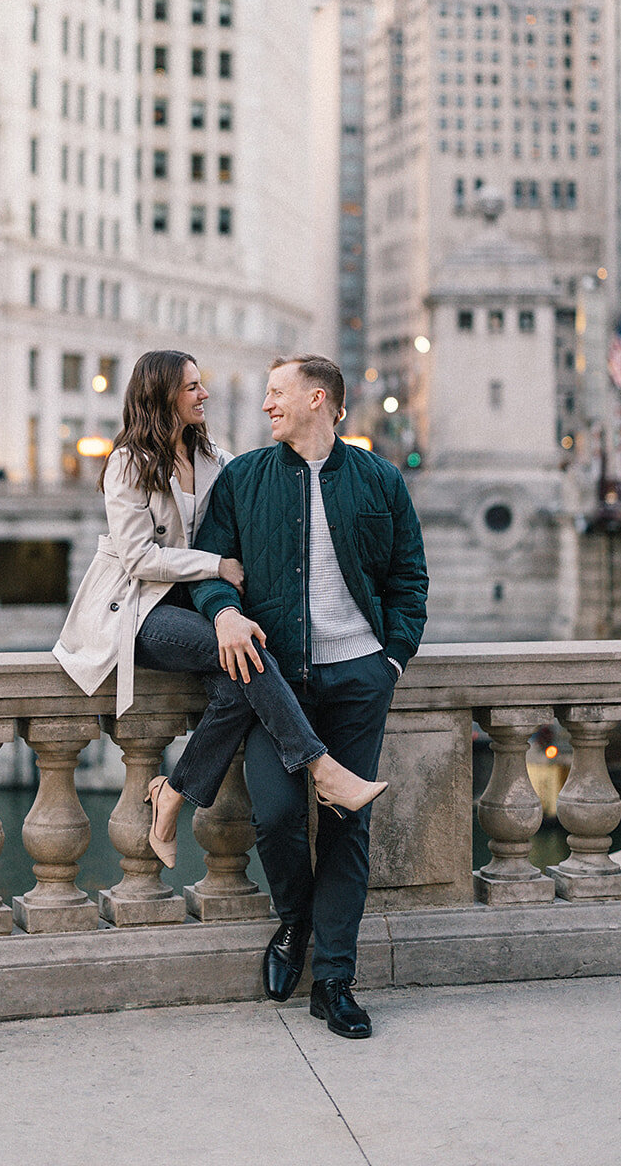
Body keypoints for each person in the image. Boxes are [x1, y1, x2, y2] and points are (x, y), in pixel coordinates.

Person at [51, 349, 387, 870]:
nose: (203, 394)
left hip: (193, 606)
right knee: (249, 651)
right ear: (161, 395)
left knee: (237, 685)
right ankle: (320, 768)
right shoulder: (128, 462)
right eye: (191, 387)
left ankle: (174, 793)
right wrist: (217, 566)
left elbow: (242, 517)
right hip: (140, 610)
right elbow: (139, 557)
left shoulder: (216, 459)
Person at [191, 355, 428, 1040]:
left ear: (316, 398)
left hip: (359, 677)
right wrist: (220, 612)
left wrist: (391, 657)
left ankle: (334, 981)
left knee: (348, 831)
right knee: (275, 818)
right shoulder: (245, 478)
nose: (266, 405)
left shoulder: (379, 480)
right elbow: (212, 568)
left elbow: (408, 576)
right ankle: (293, 919)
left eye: (276, 393)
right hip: (277, 682)